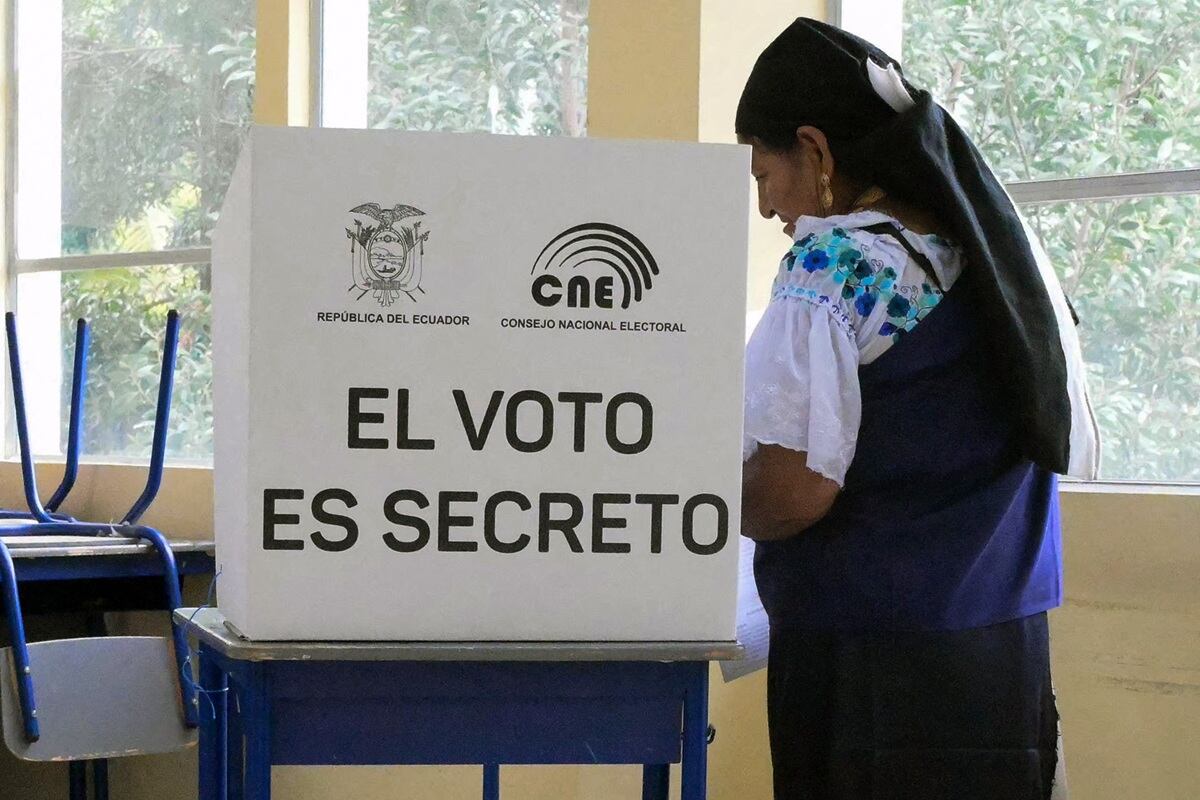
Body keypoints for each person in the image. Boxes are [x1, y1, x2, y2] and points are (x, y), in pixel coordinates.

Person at [736, 18, 1099, 800]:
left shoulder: (833, 268)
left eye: (763, 175)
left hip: (872, 677)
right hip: (1004, 662)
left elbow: (796, 492)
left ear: (818, 150)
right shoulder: (998, 258)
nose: (767, 207)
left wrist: (694, 501)